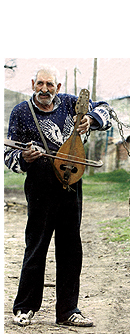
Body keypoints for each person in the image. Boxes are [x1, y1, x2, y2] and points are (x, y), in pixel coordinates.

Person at [4, 65, 112, 327]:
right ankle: (25, 307)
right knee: (37, 245)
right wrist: (24, 158)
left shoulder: (71, 103)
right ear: (32, 85)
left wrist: (92, 120)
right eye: (40, 84)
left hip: (72, 182)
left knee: (70, 248)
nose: (44, 89)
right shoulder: (21, 112)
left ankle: (68, 311)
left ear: (58, 88)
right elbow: (9, 157)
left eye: (50, 85)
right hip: (40, 183)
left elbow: (107, 109)